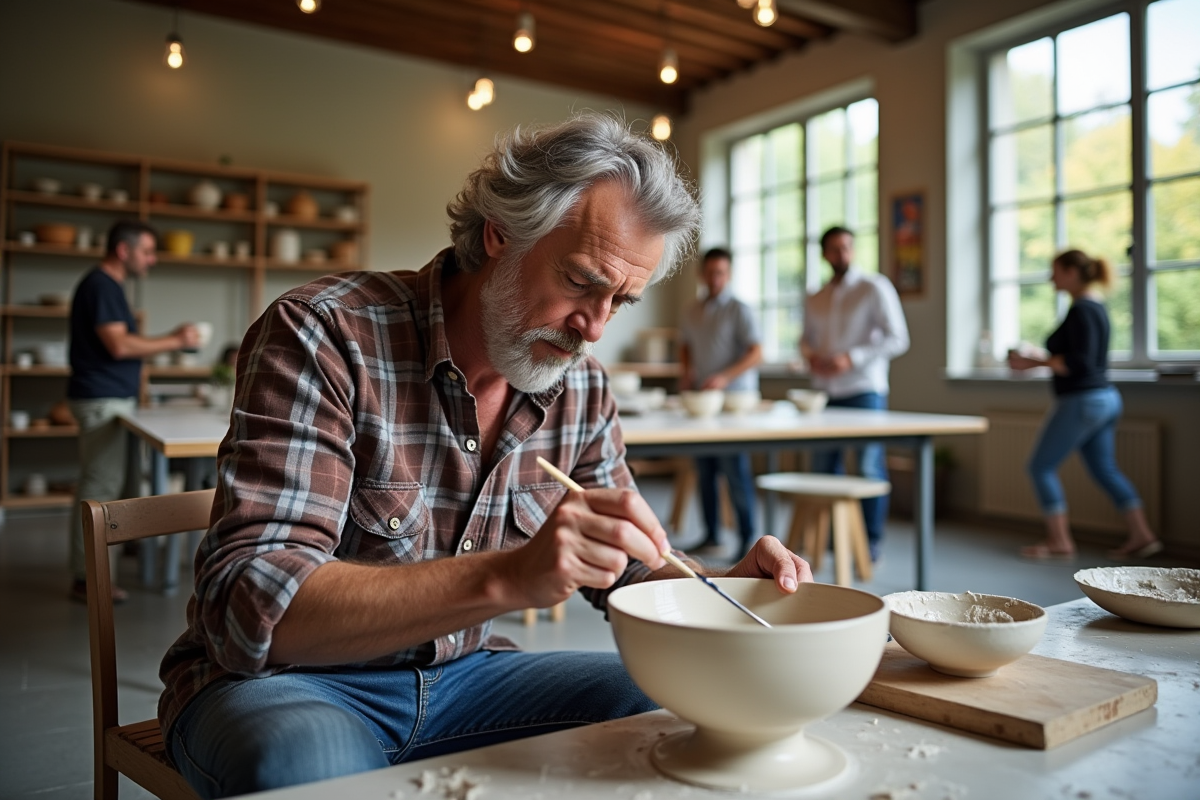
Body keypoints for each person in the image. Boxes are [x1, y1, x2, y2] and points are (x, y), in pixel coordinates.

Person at [158, 115, 813, 799]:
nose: (593, 327)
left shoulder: (579, 386)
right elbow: (253, 606)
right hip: (287, 684)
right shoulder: (325, 333)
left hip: (469, 679)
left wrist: (716, 588)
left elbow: (631, 571)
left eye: (620, 300)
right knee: (309, 768)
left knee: (683, 707)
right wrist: (507, 576)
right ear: (501, 232)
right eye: (582, 280)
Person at [67, 221, 200, 604]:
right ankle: (87, 580)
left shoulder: (107, 286)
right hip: (101, 399)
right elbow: (119, 346)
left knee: (110, 484)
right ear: (124, 251)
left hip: (109, 398)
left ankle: (102, 563)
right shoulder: (102, 285)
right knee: (99, 490)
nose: (152, 259)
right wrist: (175, 340)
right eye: (147, 251)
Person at [1006, 249, 1161, 561]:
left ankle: (1059, 541)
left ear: (1072, 273)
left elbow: (1079, 363)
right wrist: (1041, 360)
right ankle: (1142, 535)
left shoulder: (1082, 311)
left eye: (1055, 271)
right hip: (1104, 399)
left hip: (1084, 400)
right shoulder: (1094, 307)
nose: (1051, 278)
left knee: (1040, 467)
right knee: (1104, 468)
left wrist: (1032, 361)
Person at [800, 226, 910, 563]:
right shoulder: (815, 296)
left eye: (846, 247)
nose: (841, 254)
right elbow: (805, 339)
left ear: (853, 249)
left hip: (864, 390)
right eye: (834, 249)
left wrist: (852, 357)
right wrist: (811, 356)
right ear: (824, 254)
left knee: (867, 468)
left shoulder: (874, 287)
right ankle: (831, 540)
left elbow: (898, 338)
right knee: (822, 468)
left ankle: (870, 541)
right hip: (824, 393)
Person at [678, 247, 763, 559]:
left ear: (728, 275)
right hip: (704, 402)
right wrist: (686, 370)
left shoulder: (740, 310)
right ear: (702, 274)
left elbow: (756, 353)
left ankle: (746, 539)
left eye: (721, 273)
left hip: (734, 405)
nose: (715, 278)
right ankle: (712, 534)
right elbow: (685, 344)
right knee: (706, 470)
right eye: (710, 272)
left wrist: (725, 377)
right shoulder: (691, 310)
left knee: (735, 472)